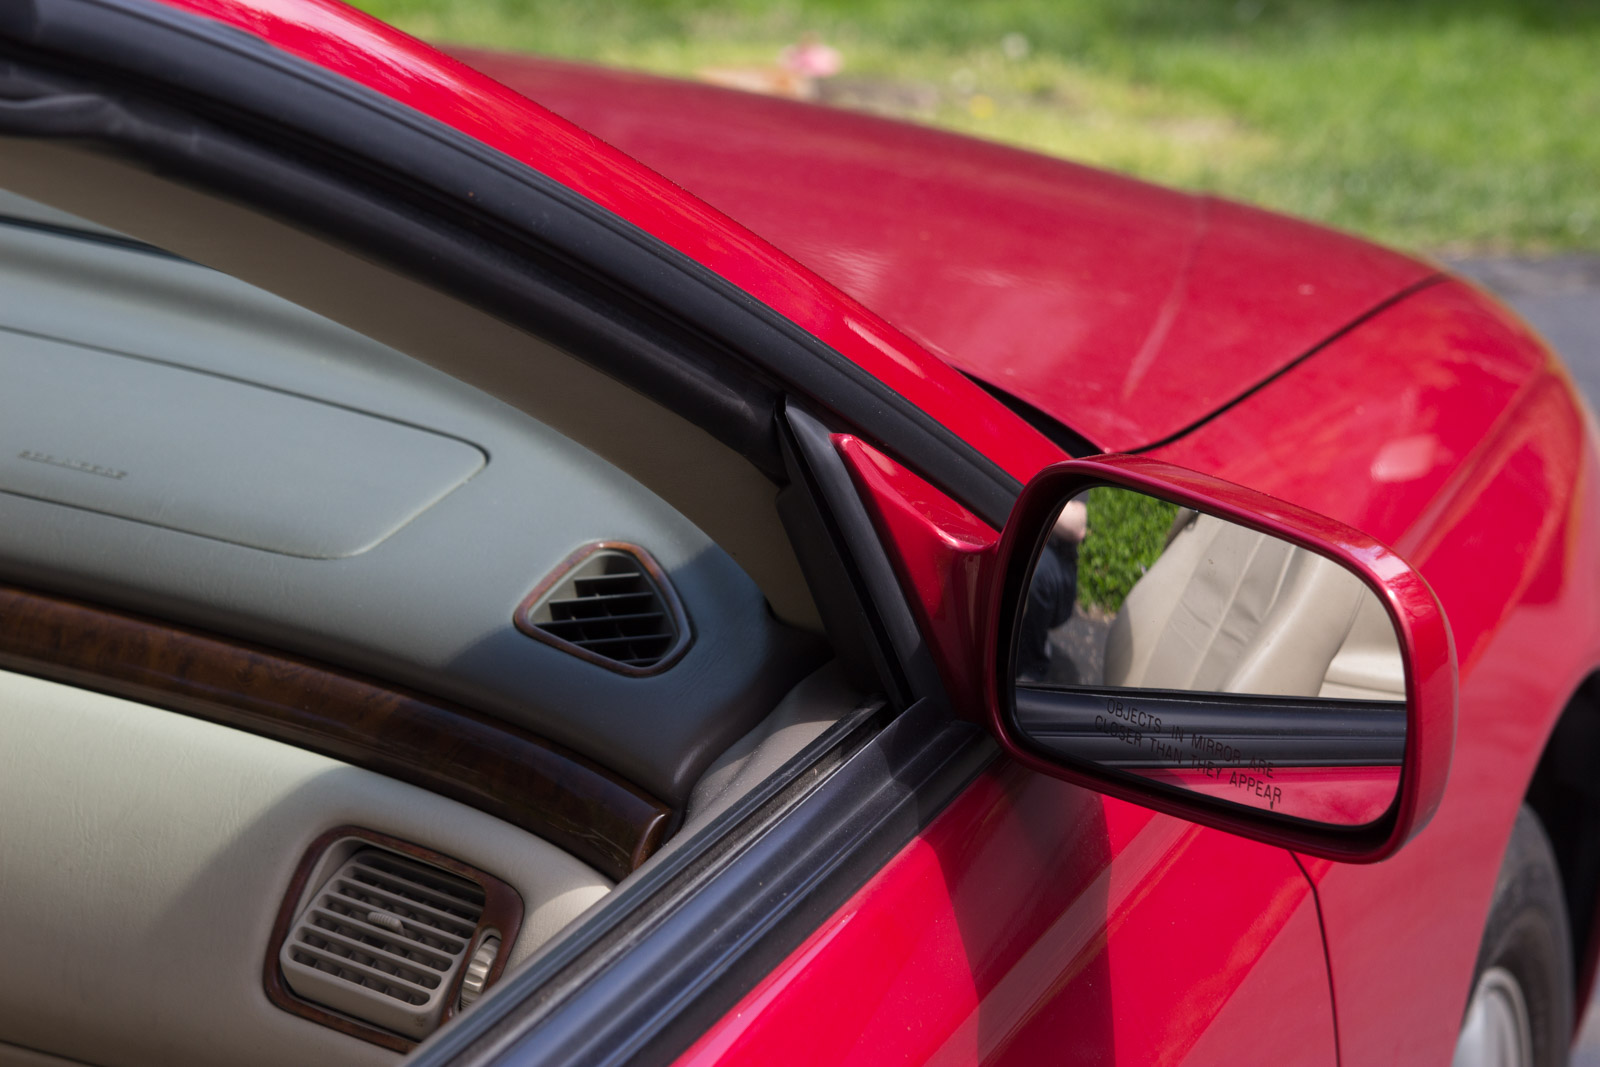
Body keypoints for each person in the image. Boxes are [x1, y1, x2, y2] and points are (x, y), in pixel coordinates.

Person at [1016, 498, 1088, 682]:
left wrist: (1031, 497)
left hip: (1054, 566)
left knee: (1036, 573)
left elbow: (1076, 526)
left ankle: (1033, 664)